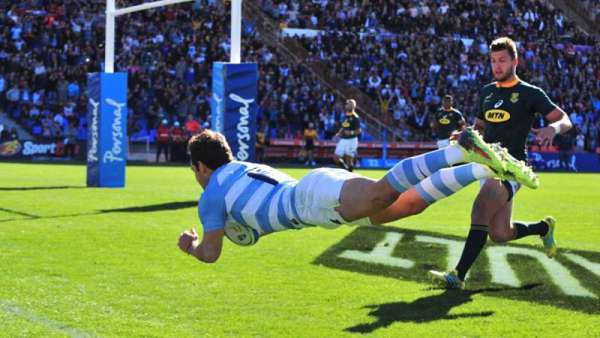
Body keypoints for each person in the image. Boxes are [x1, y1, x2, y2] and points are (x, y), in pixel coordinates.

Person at [177, 128, 535, 264]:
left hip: (310, 201)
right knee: (403, 206)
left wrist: (190, 246)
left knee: (382, 192)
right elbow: (250, 231)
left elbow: (211, 253)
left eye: (194, 172)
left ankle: (460, 150)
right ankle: (483, 169)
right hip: (314, 195)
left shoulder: (212, 194)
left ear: (200, 168)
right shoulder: (239, 168)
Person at [428, 37, 573, 289]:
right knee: (500, 234)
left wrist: (553, 128)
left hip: (511, 167)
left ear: (515, 61)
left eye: (502, 60)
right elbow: (481, 127)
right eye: (493, 61)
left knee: (480, 208)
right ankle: (544, 227)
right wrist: (466, 135)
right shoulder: (486, 92)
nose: (497, 65)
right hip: (486, 165)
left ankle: (458, 275)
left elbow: (564, 119)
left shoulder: (530, 93)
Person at [333, 99, 361, 172]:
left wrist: (351, 132)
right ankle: (346, 170)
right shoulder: (345, 116)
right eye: (347, 104)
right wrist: (339, 133)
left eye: (350, 104)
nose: (348, 105)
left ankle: (350, 174)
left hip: (352, 140)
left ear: (353, 106)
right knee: (336, 158)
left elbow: (358, 131)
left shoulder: (355, 117)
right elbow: (343, 126)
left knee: (349, 160)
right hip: (344, 139)